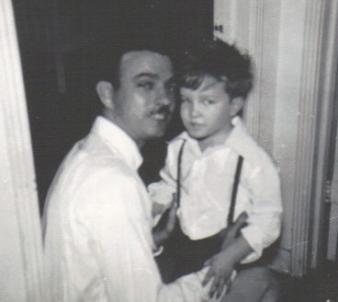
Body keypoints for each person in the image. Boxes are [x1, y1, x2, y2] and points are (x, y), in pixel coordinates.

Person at [42, 42, 219, 302]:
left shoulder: (86, 151)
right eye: (146, 84)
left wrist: (151, 238)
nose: (165, 100)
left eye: (169, 86)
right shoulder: (114, 180)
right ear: (107, 94)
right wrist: (220, 269)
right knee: (257, 280)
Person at [148, 39, 283, 302]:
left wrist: (231, 256)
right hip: (184, 250)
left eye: (207, 101)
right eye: (186, 100)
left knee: (255, 286)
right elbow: (168, 183)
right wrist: (155, 205)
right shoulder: (178, 147)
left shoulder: (253, 160)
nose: (193, 113)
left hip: (232, 255)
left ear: (234, 105)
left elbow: (268, 219)